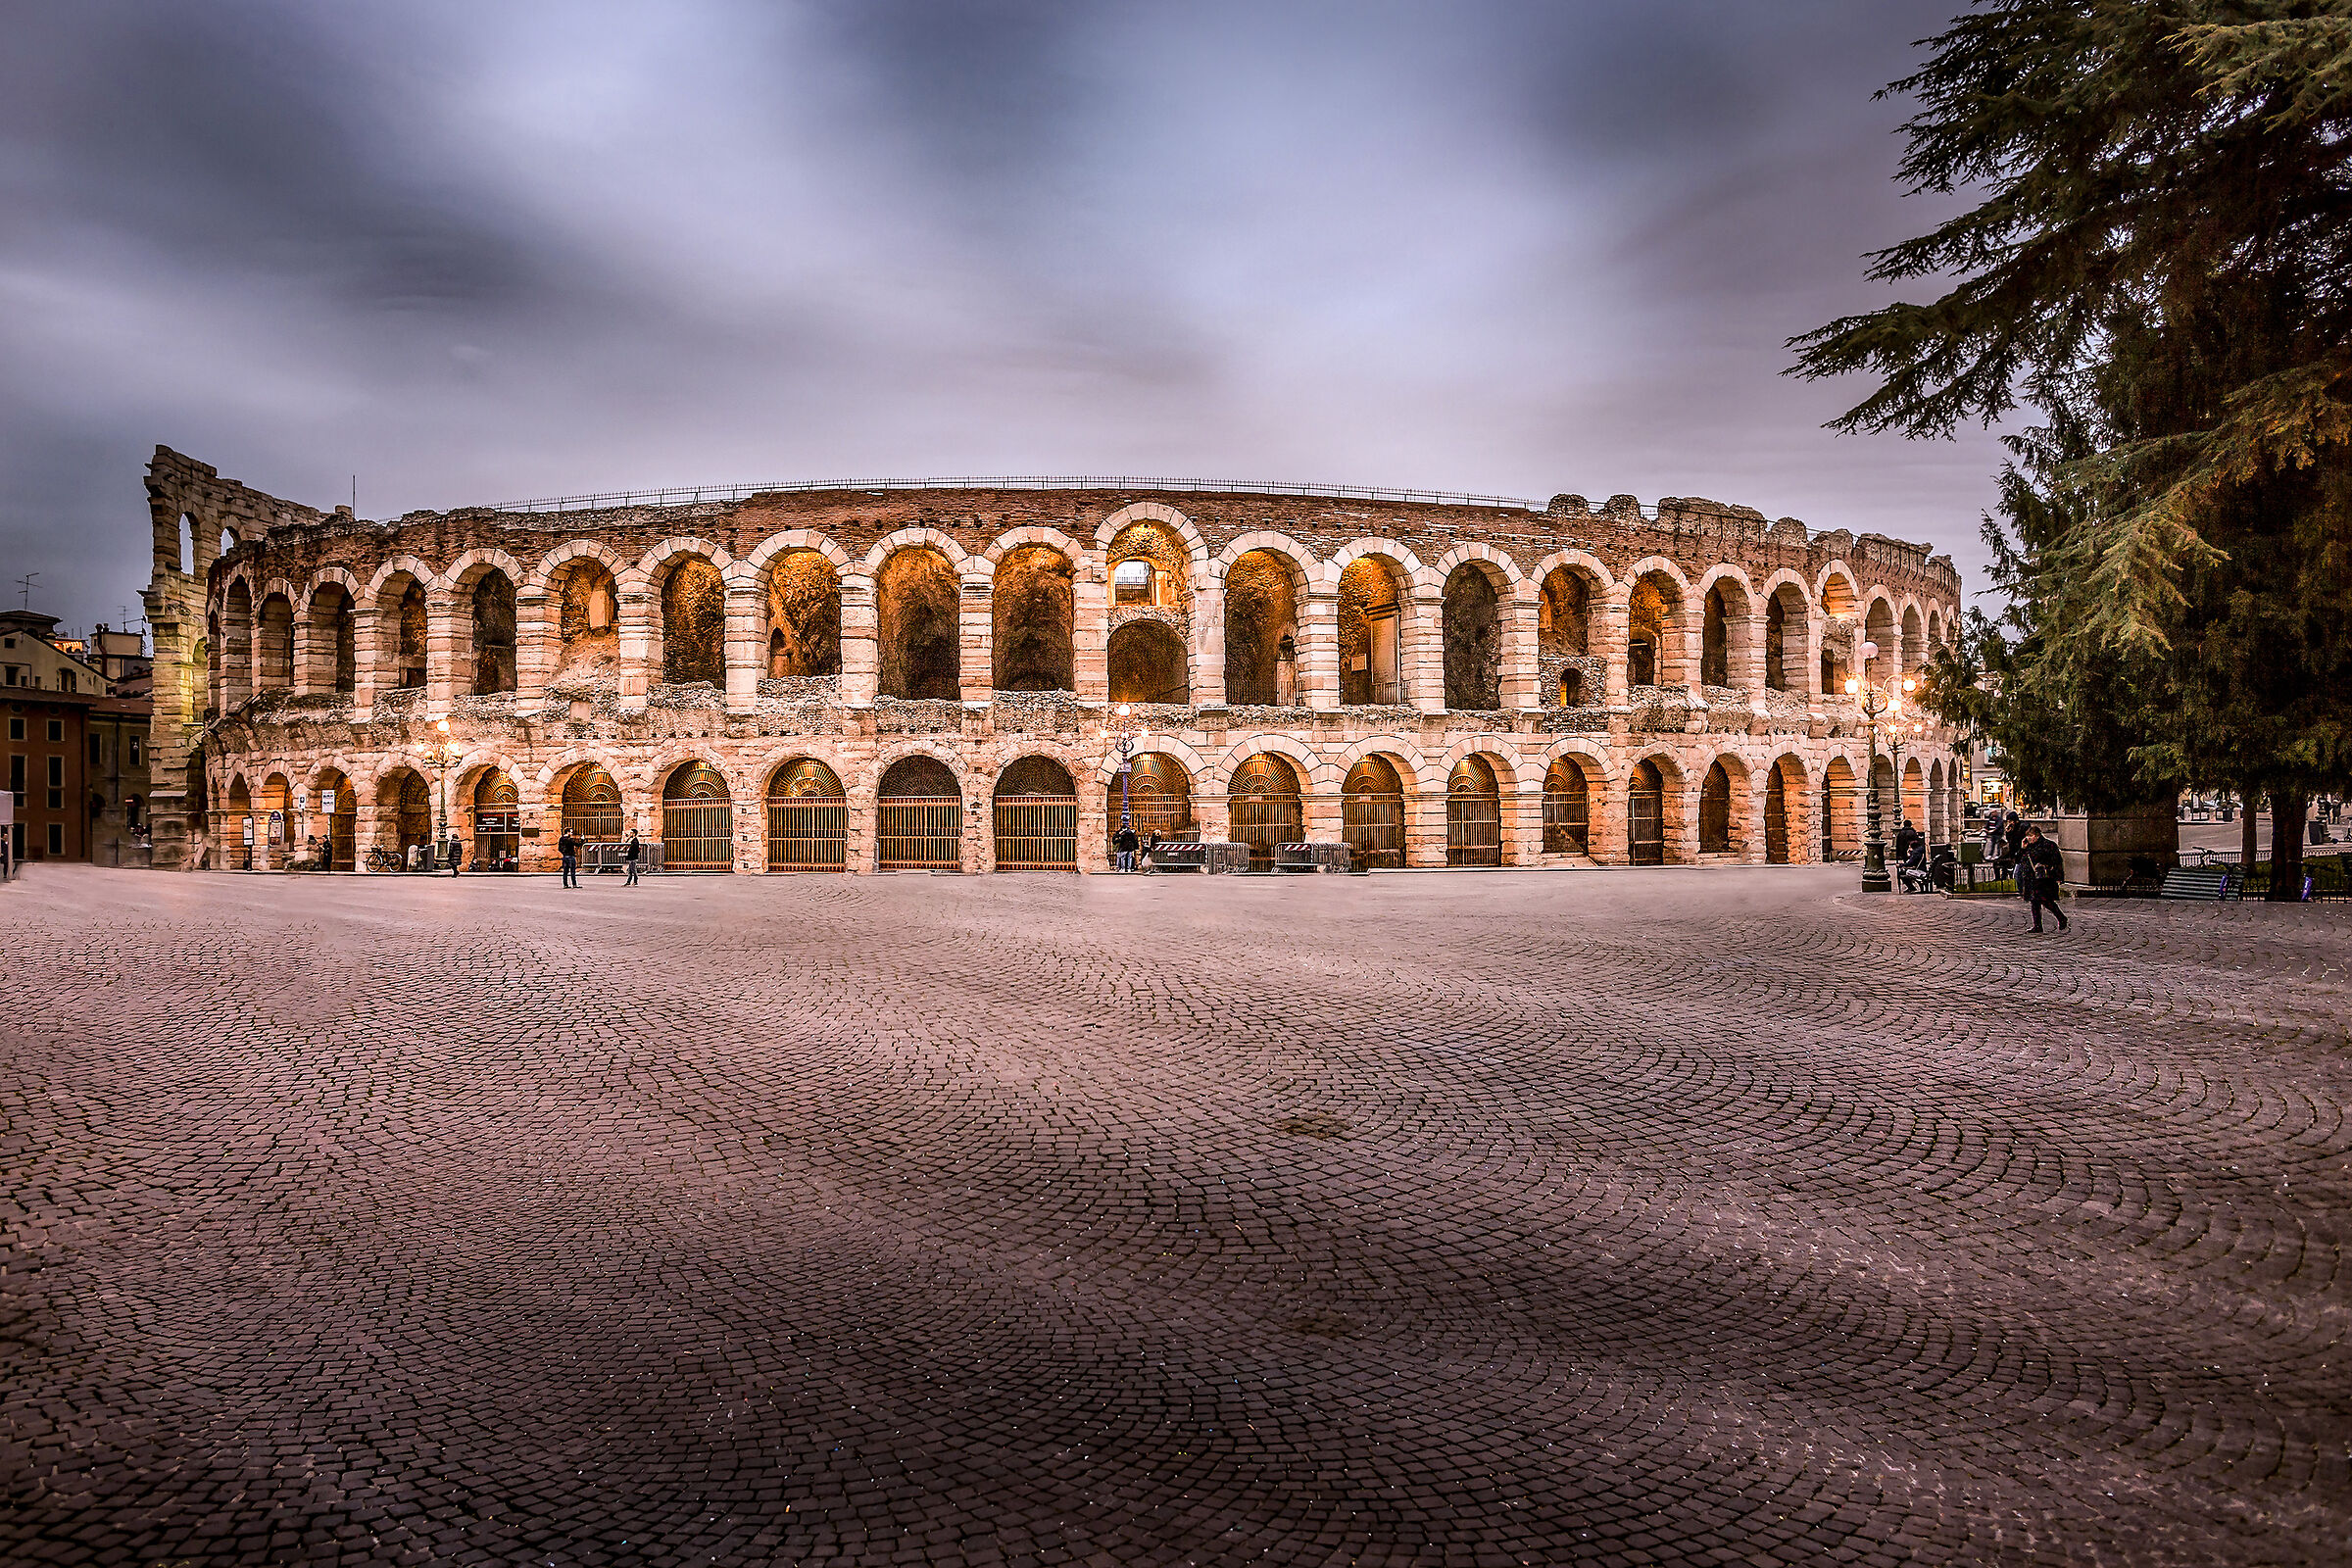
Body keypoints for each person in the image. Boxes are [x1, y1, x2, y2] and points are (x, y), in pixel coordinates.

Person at [2018, 823, 2068, 933]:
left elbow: (2057, 861)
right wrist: (2022, 848)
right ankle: (2037, 925)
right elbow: (2019, 859)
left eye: (2031, 836)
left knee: (2046, 900)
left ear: (2037, 835)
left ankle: (2061, 917)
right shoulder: (2028, 847)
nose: (2028, 839)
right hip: (2031, 878)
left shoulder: (2048, 845)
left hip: (2044, 878)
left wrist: (2059, 877)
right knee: (2034, 901)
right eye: (2028, 836)